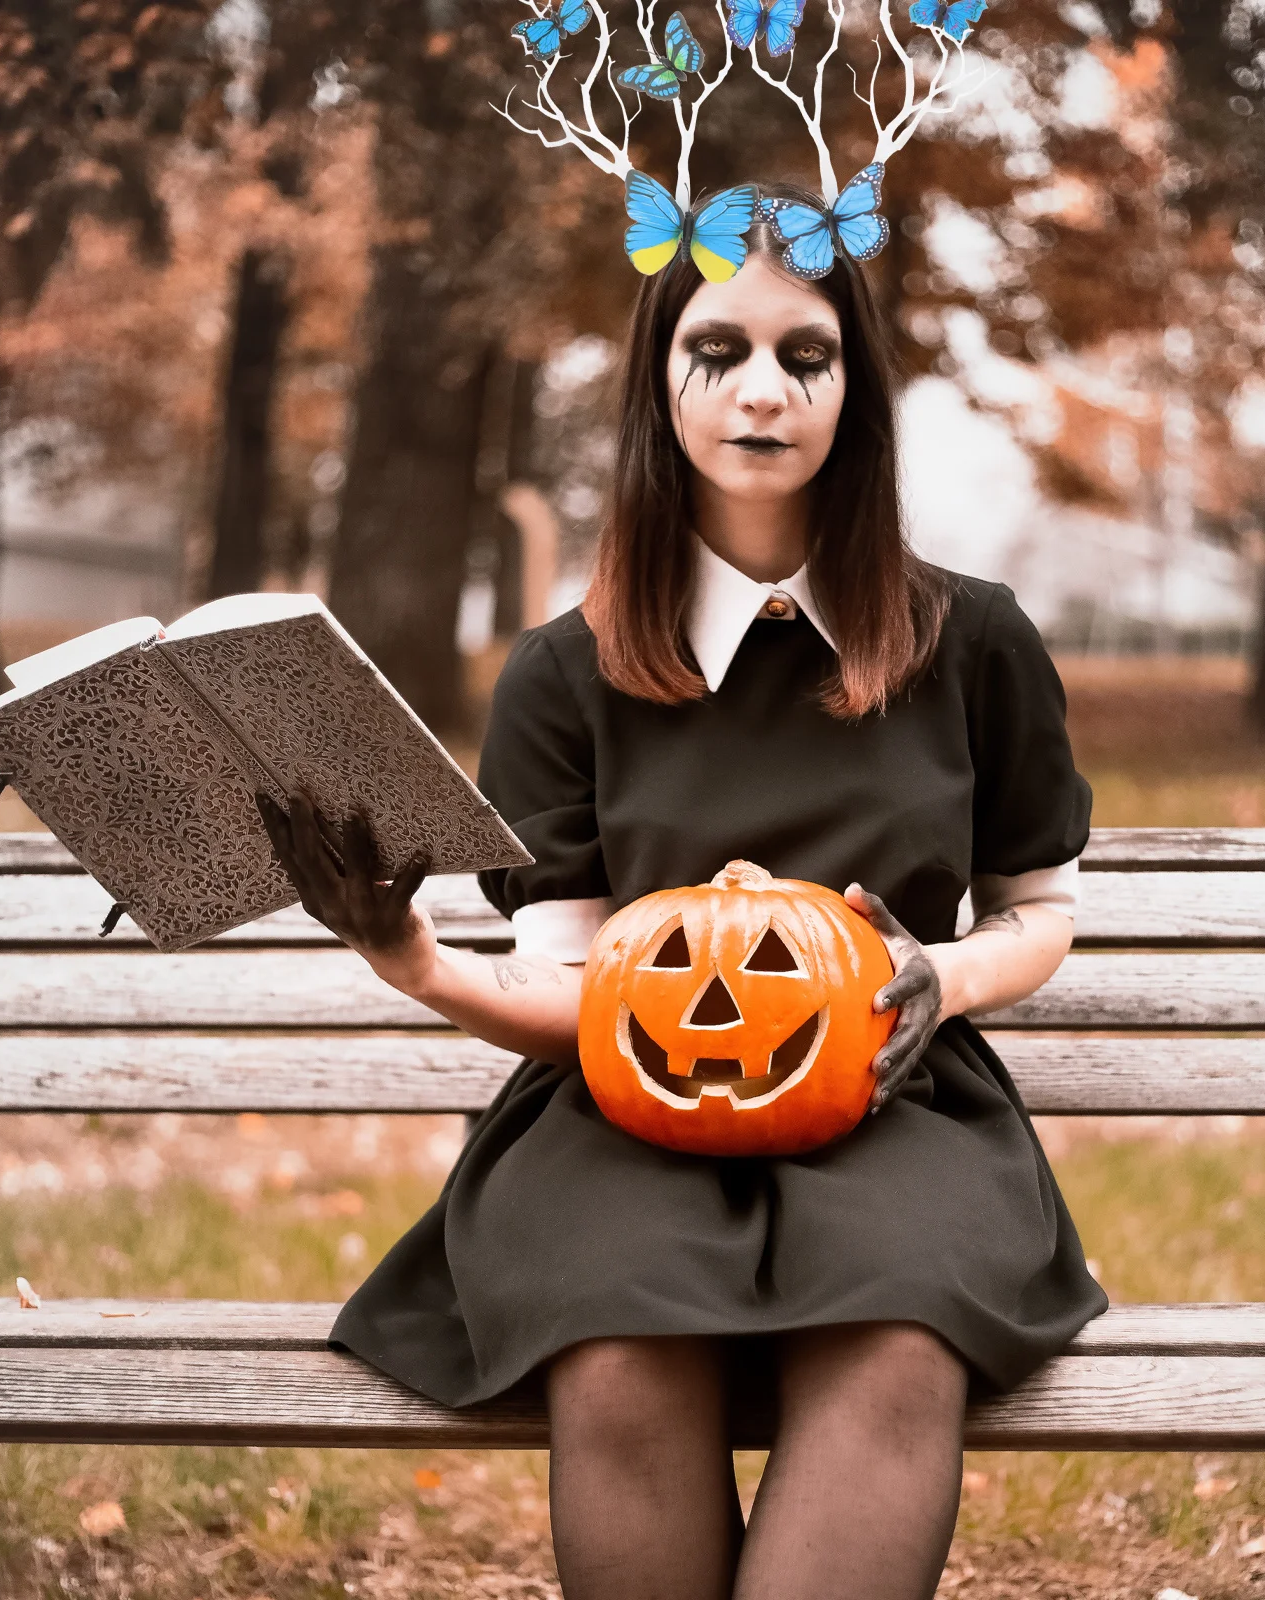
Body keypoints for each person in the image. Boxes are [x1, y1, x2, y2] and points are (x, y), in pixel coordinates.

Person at [257, 183, 1105, 1600]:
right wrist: (419, 966)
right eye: (718, 351)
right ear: (661, 383)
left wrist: (940, 979)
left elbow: (1041, 912)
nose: (761, 390)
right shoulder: (562, 674)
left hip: (900, 1096)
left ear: (857, 387)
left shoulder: (976, 642)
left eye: (806, 355)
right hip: (620, 1102)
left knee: (900, 1342)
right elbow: (573, 988)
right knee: (617, 1351)